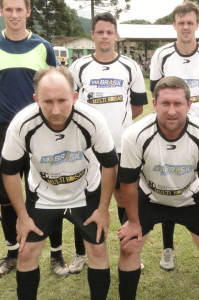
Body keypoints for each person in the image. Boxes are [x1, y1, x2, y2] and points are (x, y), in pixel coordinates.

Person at [1, 67, 118, 300]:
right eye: (47, 101)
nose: (55, 110)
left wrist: (103, 209)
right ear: (36, 100)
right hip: (44, 195)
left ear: (74, 96)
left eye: (62, 100)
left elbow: (110, 165)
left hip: (84, 192)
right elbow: (10, 172)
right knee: (26, 252)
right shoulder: (22, 124)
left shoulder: (92, 120)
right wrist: (23, 217)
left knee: (96, 248)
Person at [0, 0, 65, 278]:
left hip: (40, 130)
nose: (14, 15)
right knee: (5, 195)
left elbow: (54, 85)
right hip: (3, 130)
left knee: (48, 190)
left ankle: (56, 253)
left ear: (28, 12)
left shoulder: (43, 47)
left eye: (19, 9)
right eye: (8, 9)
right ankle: (12, 252)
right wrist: (9, 119)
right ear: (1, 11)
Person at [117, 76, 199, 300]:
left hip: (189, 198)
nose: (171, 111)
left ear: (189, 105)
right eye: (165, 103)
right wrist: (133, 222)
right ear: (154, 104)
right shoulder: (134, 134)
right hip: (149, 198)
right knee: (128, 246)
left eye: (178, 104)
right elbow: (128, 182)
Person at [149, 1, 199, 271]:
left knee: (198, 185)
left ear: (197, 25)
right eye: (181, 23)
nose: (185, 27)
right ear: (174, 25)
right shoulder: (161, 55)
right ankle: (167, 248)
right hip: (169, 130)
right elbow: (155, 94)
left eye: (190, 23)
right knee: (169, 181)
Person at [69, 11, 148, 273]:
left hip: (122, 146)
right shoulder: (79, 66)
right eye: (99, 32)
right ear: (92, 35)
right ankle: (81, 252)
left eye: (109, 32)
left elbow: (137, 107)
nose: (104, 36)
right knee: (85, 201)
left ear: (116, 36)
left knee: (125, 198)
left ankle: (130, 248)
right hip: (88, 150)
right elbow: (72, 106)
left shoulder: (130, 66)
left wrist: (117, 127)